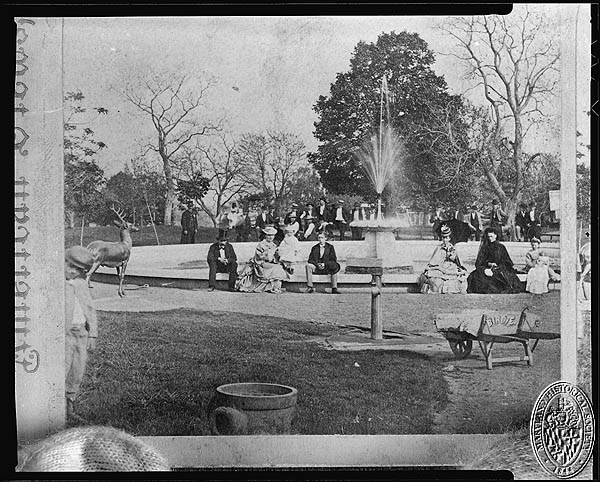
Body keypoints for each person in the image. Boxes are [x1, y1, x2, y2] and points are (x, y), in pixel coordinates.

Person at [64, 246, 98, 419]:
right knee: (63, 365)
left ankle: (70, 403)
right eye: (70, 267)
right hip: (64, 333)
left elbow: (89, 308)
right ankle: (54, 404)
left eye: (78, 271)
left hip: (81, 332)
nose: (72, 272)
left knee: (78, 367)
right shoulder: (58, 284)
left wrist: (92, 333)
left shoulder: (81, 284)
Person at [467, 226, 523, 294]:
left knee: (500, 277)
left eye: (491, 236)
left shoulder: (501, 247)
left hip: (499, 268)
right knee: (476, 276)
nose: (490, 238)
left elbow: (507, 261)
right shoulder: (485, 247)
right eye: (488, 237)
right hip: (486, 268)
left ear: (496, 236)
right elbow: (480, 261)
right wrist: (488, 264)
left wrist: (498, 265)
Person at [236, 226, 289, 293]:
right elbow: (259, 256)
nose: (270, 237)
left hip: (270, 263)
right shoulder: (261, 244)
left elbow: (275, 256)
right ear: (265, 236)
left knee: (279, 267)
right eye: (269, 235)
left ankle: (275, 287)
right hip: (261, 264)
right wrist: (268, 256)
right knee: (276, 268)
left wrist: (277, 256)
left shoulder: (273, 245)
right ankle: (271, 287)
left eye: (272, 235)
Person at [419, 225, 468, 294]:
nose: (445, 240)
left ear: (449, 238)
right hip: (440, 267)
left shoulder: (453, 248)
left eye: (446, 238)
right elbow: (434, 261)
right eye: (443, 238)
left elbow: (458, 261)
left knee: (456, 275)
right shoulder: (439, 248)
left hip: (450, 267)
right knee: (433, 275)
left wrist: (452, 257)